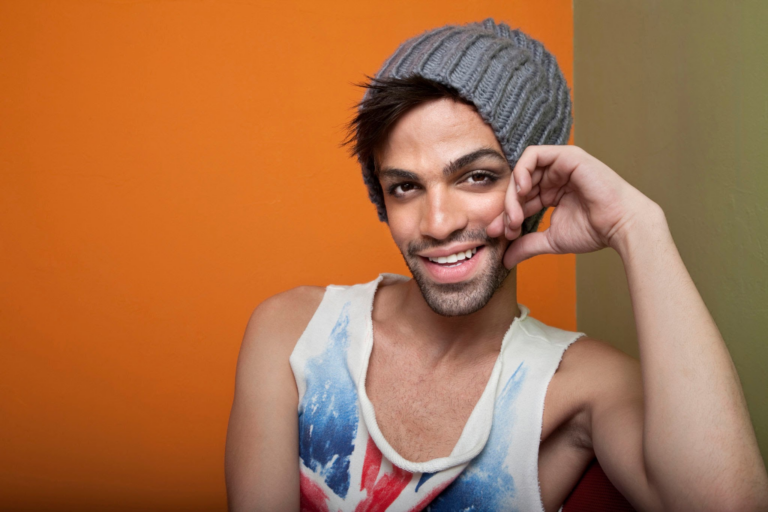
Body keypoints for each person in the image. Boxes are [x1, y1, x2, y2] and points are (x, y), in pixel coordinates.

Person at [225, 19, 768, 511]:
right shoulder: (292, 333)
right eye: (406, 187)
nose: (437, 223)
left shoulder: (581, 385)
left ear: (535, 185)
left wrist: (638, 229)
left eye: (477, 176)